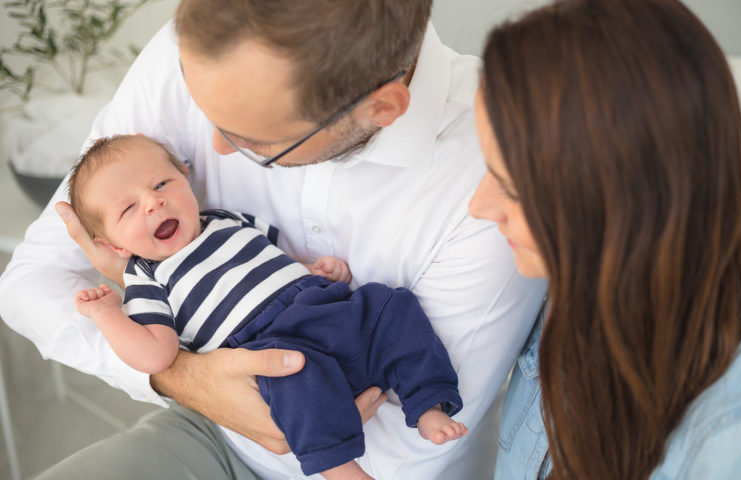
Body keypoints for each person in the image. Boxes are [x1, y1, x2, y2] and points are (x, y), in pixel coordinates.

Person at [0, 0, 546, 479]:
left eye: (253, 142)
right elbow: (30, 283)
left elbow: (407, 455)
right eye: (202, 110)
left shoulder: (501, 165)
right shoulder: (200, 46)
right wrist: (187, 380)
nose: (209, 149)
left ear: (382, 108)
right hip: (215, 434)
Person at [469, 0, 741, 480]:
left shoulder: (737, 435)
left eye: (514, 190)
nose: (479, 207)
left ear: (622, 207)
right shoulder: (578, 283)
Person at [69, 133, 467, 479]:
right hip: (269, 347)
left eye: (161, 183)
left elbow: (273, 256)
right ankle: (340, 467)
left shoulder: (225, 218)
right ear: (115, 246)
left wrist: (313, 269)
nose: (153, 203)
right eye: (128, 209)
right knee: (290, 381)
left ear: (185, 177)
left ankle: (428, 402)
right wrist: (107, 314)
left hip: (322, 306)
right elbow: (156, 354)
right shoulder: (147, 277)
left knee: (389, 304)